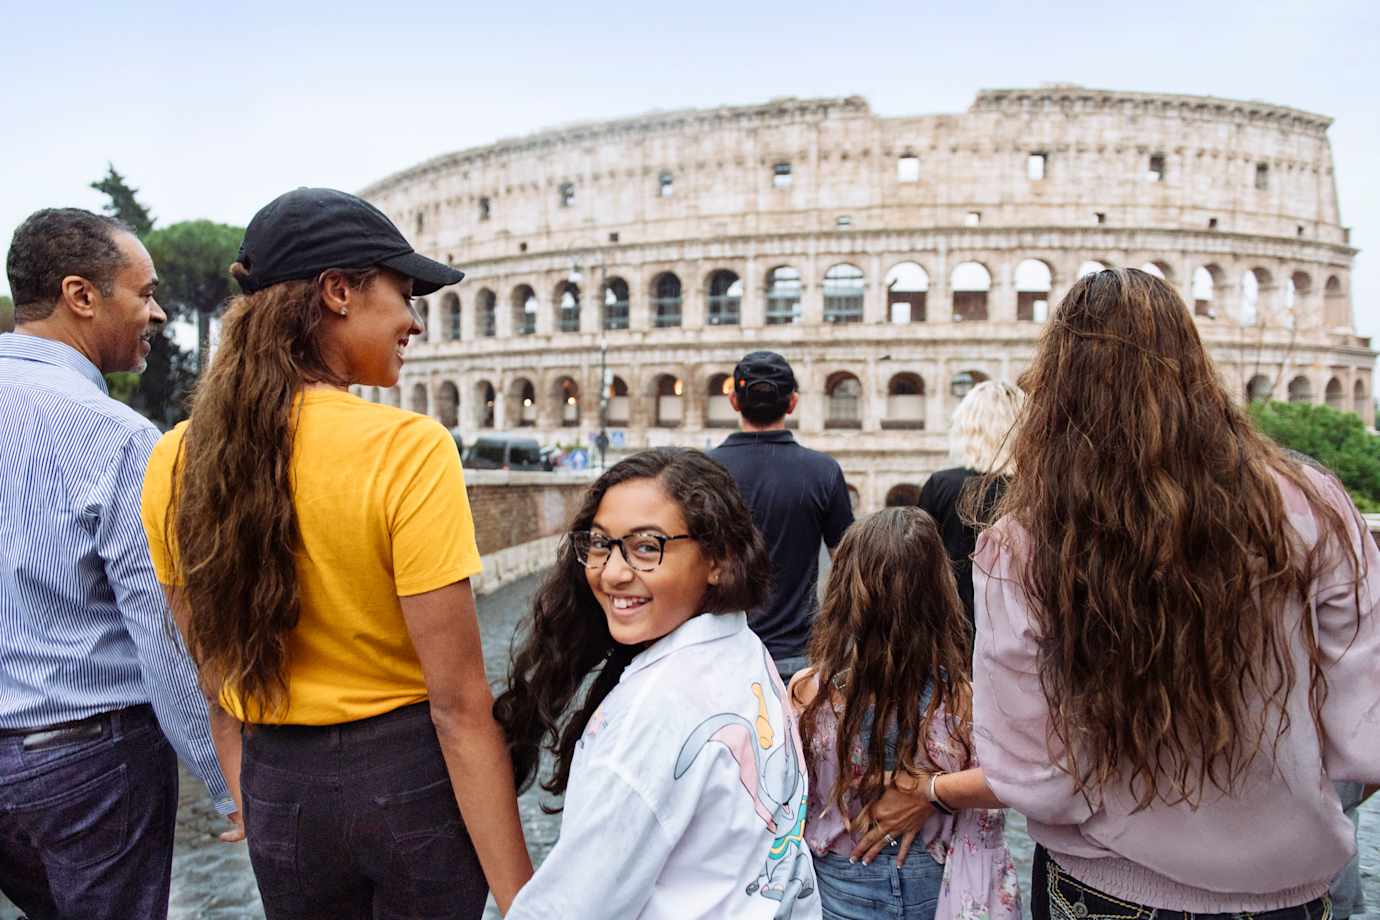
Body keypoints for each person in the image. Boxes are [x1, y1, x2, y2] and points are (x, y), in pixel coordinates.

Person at [139, 188, 532, 918]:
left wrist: (253, 797)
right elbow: (458, 707)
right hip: (409, 782)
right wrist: (524, 897)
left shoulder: (172, 459)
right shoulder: (407, 447)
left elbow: (216, 674)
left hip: (280, 789)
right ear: (339, 291)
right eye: (405, 293)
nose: (414, 322)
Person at [972, 268, 1380, 917]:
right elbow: (1368, 732)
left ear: (1057, 384)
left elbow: (1036, 775)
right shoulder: (1314, 507)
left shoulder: (1023, 543)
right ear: (1197, 366)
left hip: (1109, 883)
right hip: (1287, 883)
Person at [0, 208, 234, 920]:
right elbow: (165, 631)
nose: (158, 313)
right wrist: (231, 780)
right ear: (81, 295)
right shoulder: (119, 437)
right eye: (145, 292)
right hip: (90, 765)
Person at [494, 448, 823, 919]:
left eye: (647, 547)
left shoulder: (654, 714)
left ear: (719, 559)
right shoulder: (743, 648)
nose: (611, 572)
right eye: (601, 544)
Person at [790, 507, 1020, 920]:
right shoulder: (965, 699)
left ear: (843, 592)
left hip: (840, 879)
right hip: (936, 880)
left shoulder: (809, 693)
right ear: (939, 593)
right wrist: (933, 790)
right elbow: (1018, 778)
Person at [708, 351, 853, 682]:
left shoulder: (703, 471)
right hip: (795, 656)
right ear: (792, 403)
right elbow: (846, 565)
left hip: (719, 653)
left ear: (733, 401)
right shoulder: (823, 472)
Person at [916, 380, 1024, 626]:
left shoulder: (942, 485)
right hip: (1017, 630)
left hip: (953, 627)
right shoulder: (1034, 489)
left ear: (966, 427)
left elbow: (920, 564)